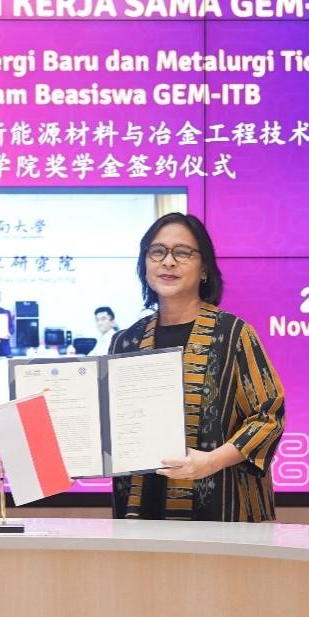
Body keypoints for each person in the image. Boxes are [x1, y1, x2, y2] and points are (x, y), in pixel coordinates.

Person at [110, 212, 285, 522]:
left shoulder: (232, 334)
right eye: (157, 252)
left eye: (182, 252)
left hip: (221, 508)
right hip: (142, 505)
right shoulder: (126, 341)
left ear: (204, 268)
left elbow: (268, 418)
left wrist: (211, 461)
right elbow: (109, 423)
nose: (168, 262)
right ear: (144, 264)